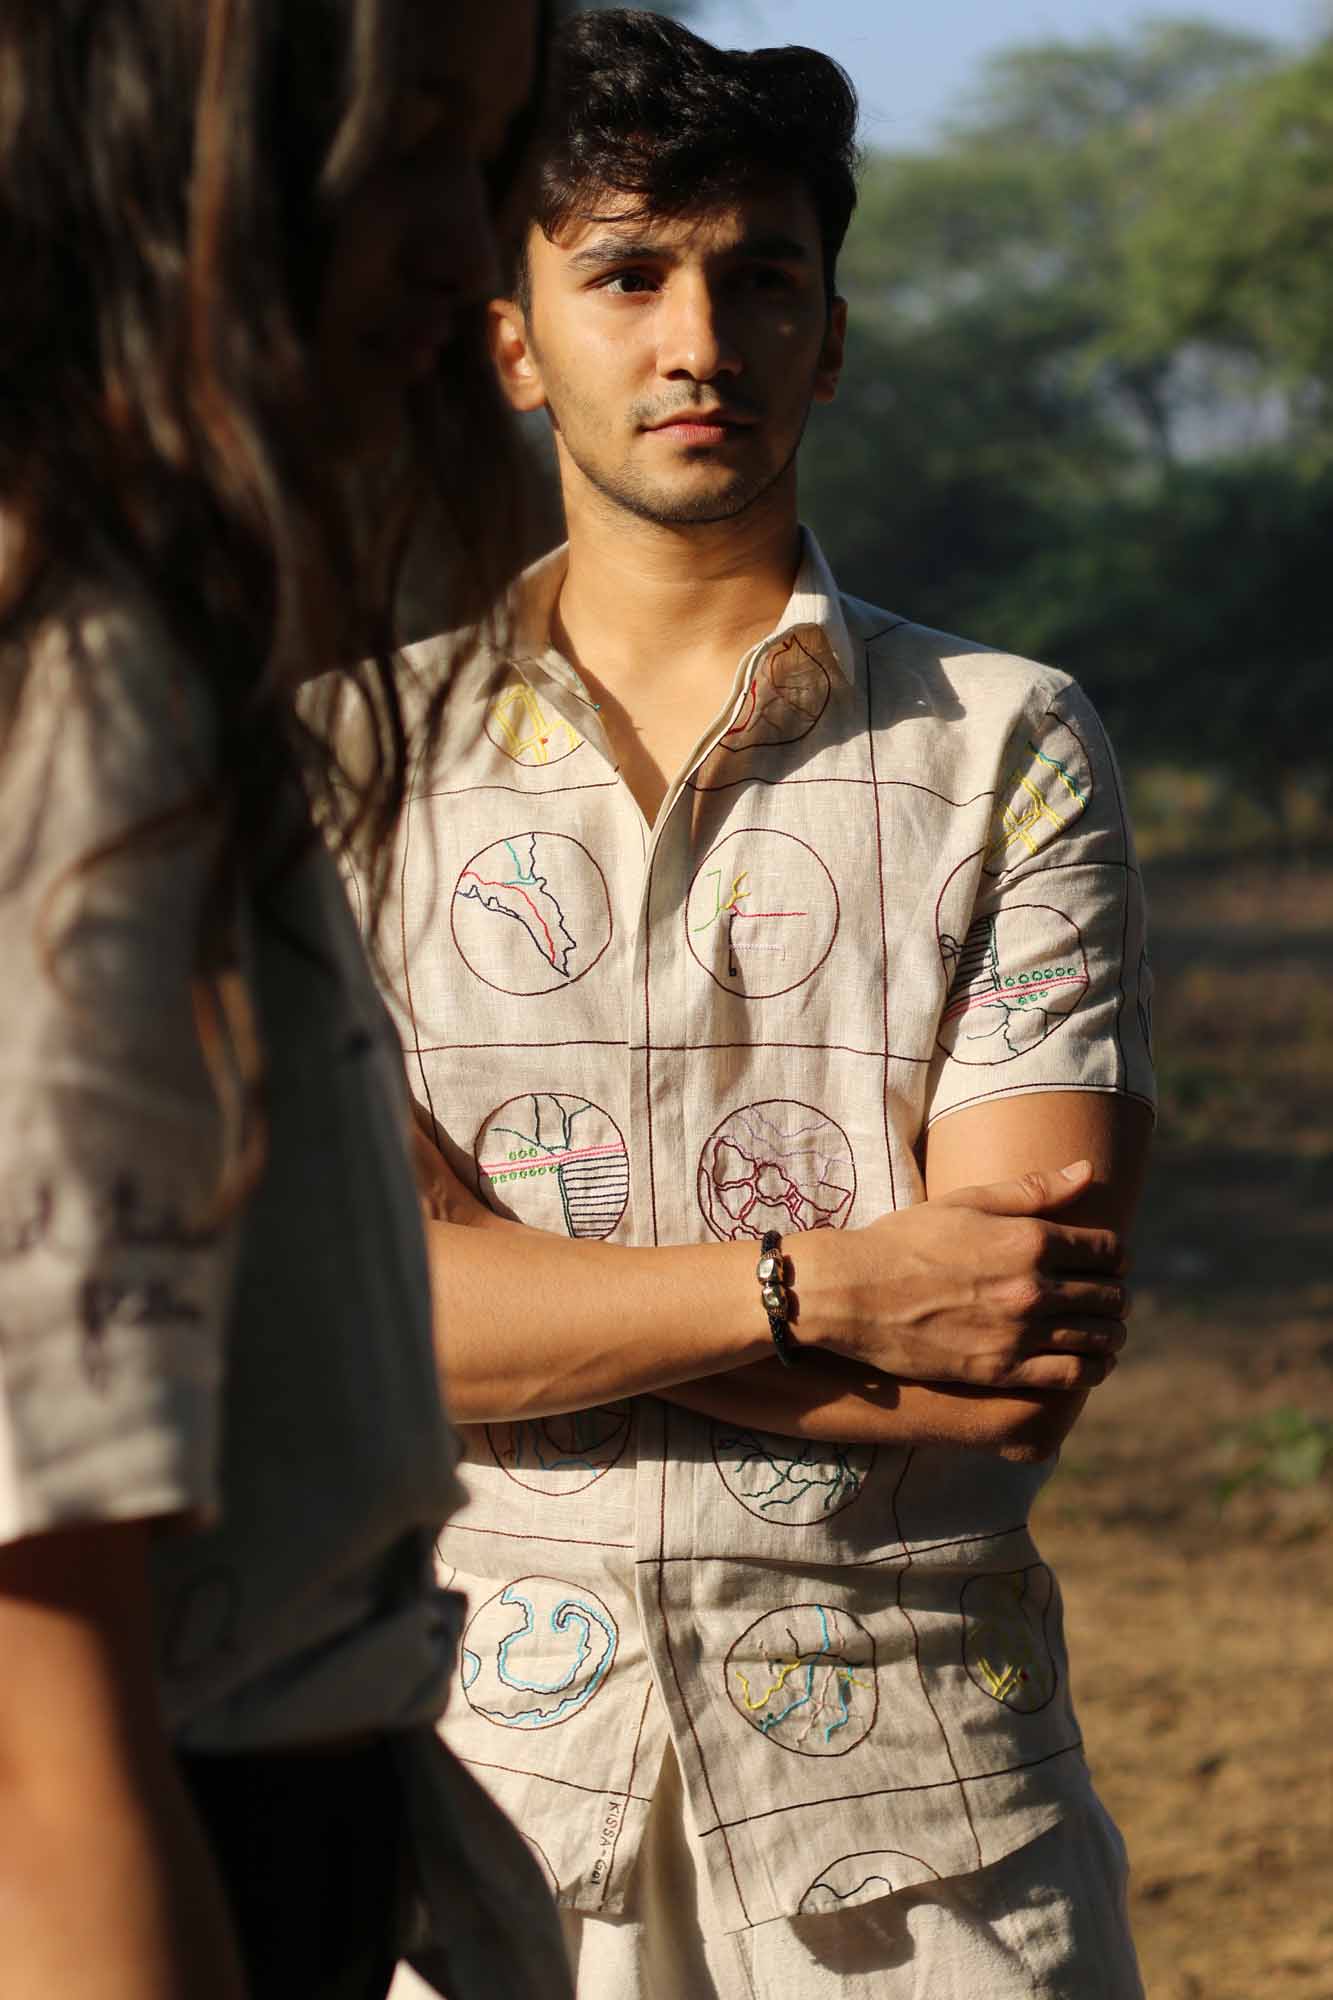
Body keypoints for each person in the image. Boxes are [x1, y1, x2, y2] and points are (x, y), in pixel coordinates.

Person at [382, 10, 1154, 1997]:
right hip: (463, 1821)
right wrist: (820, 1285)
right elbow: (346, 1317)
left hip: (919, 1831)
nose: (696, 339)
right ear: (510, 341)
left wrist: (513, 1297)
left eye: (760, 276)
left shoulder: (1010, 748)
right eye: (626, 273)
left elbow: (999, 1361)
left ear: (833, 332)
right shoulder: (345, 769)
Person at [0, 3, 568, 1998]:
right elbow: (34, 1696)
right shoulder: (90, 694)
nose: (454, 245)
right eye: (398, 144)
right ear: (166, 146)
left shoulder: (181, 662)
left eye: (475, 163)